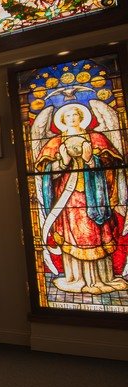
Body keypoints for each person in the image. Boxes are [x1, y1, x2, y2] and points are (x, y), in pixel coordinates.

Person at [36, 104, 128, 294]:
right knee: (72, 236)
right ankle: (75, 277)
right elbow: (46, 173)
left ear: (81, 117)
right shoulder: (55, 143)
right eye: (68, 115)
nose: (71, 118)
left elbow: (112, 167)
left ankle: (103, 278)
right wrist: (63, 163)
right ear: (62, 120)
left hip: (95, 196)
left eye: (75, 114)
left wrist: (90, 160)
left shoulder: (97, 138)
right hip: (68, 198)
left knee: (96, 233)